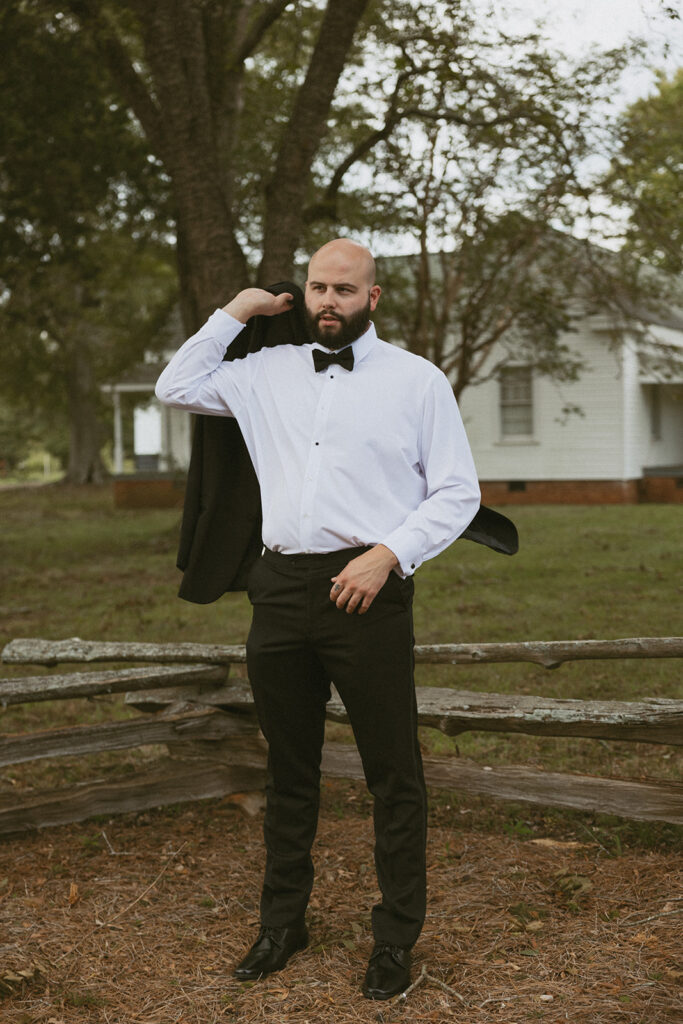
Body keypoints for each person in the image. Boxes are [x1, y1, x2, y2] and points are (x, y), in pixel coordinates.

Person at [155, 238, 481, 999]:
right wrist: (239, 309)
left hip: (368, 588)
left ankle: (395, 939)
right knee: (289, 767)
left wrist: (388, 554)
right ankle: (282, 924)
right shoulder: (260, 371)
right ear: (301, 294)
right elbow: (176, 384)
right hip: (279, 590)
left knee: (392, 774)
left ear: (372, 297)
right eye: (316, 288)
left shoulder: (417, 381)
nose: (328, 301)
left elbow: (457, 492)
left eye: (344, 289)